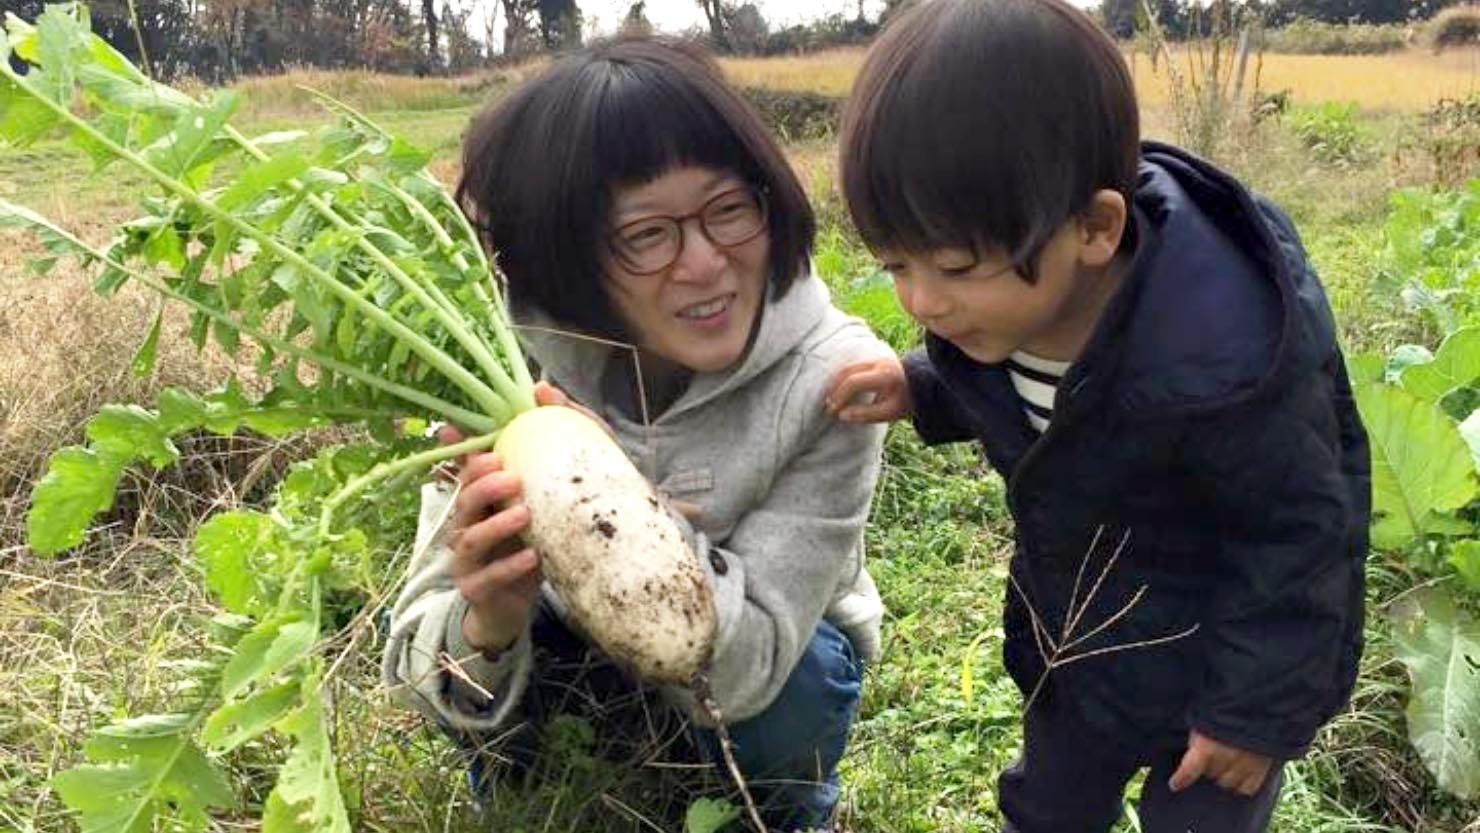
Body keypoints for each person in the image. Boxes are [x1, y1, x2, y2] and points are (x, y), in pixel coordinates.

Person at [823, 1, 1370, 831]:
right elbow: (1016, 381)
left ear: (1095, 227)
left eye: (956, 266)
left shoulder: (1227, 367)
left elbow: (1301, 542)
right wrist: (921, 385)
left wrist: (1254, 712)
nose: (924, 301)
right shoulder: (1005, 313)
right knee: (1046, 805)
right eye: (896, 263)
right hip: (1079, 643)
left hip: (1219, 664)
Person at [381, 37, 892, 832]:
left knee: (807, 674)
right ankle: (547, 803)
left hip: (754, 685)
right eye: (646, 235)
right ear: (566, 258)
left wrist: (609, 494)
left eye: (729, 208)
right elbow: (420, 667)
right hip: (572, 674)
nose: (706, 263)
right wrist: (488, 621)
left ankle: (782, 810)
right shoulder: (503, 383)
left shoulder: (839, 381)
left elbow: (754, 665)